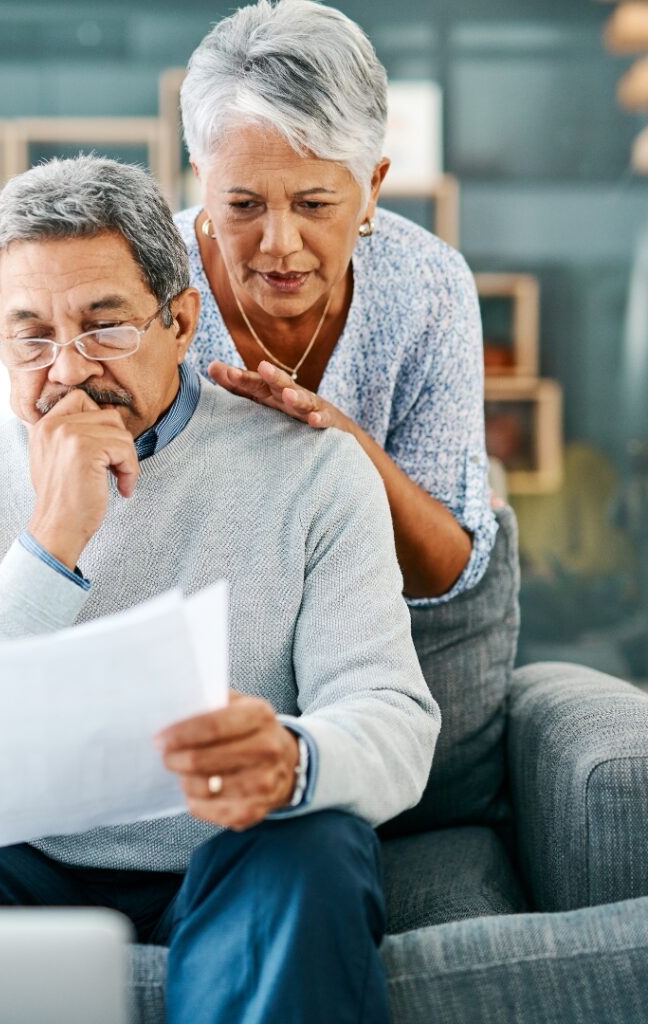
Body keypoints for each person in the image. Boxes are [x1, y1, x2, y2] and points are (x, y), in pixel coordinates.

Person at [0, 156, 440, 1023]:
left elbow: (392, 718)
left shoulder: (314, 472)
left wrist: (293, 759)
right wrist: (50, 542)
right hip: (14, 865)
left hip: (233, 860)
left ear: (180, 320)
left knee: (320, 845)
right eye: (31, 336)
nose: (67, 370)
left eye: (105, 327)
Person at [177, 0, 496, 603]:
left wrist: (338, 441)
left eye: (314, 205)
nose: (279, 245)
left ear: (372, 187)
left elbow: (446, 572)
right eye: (243, 205)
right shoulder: (146, 275)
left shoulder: (427, 286)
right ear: (202, 179)